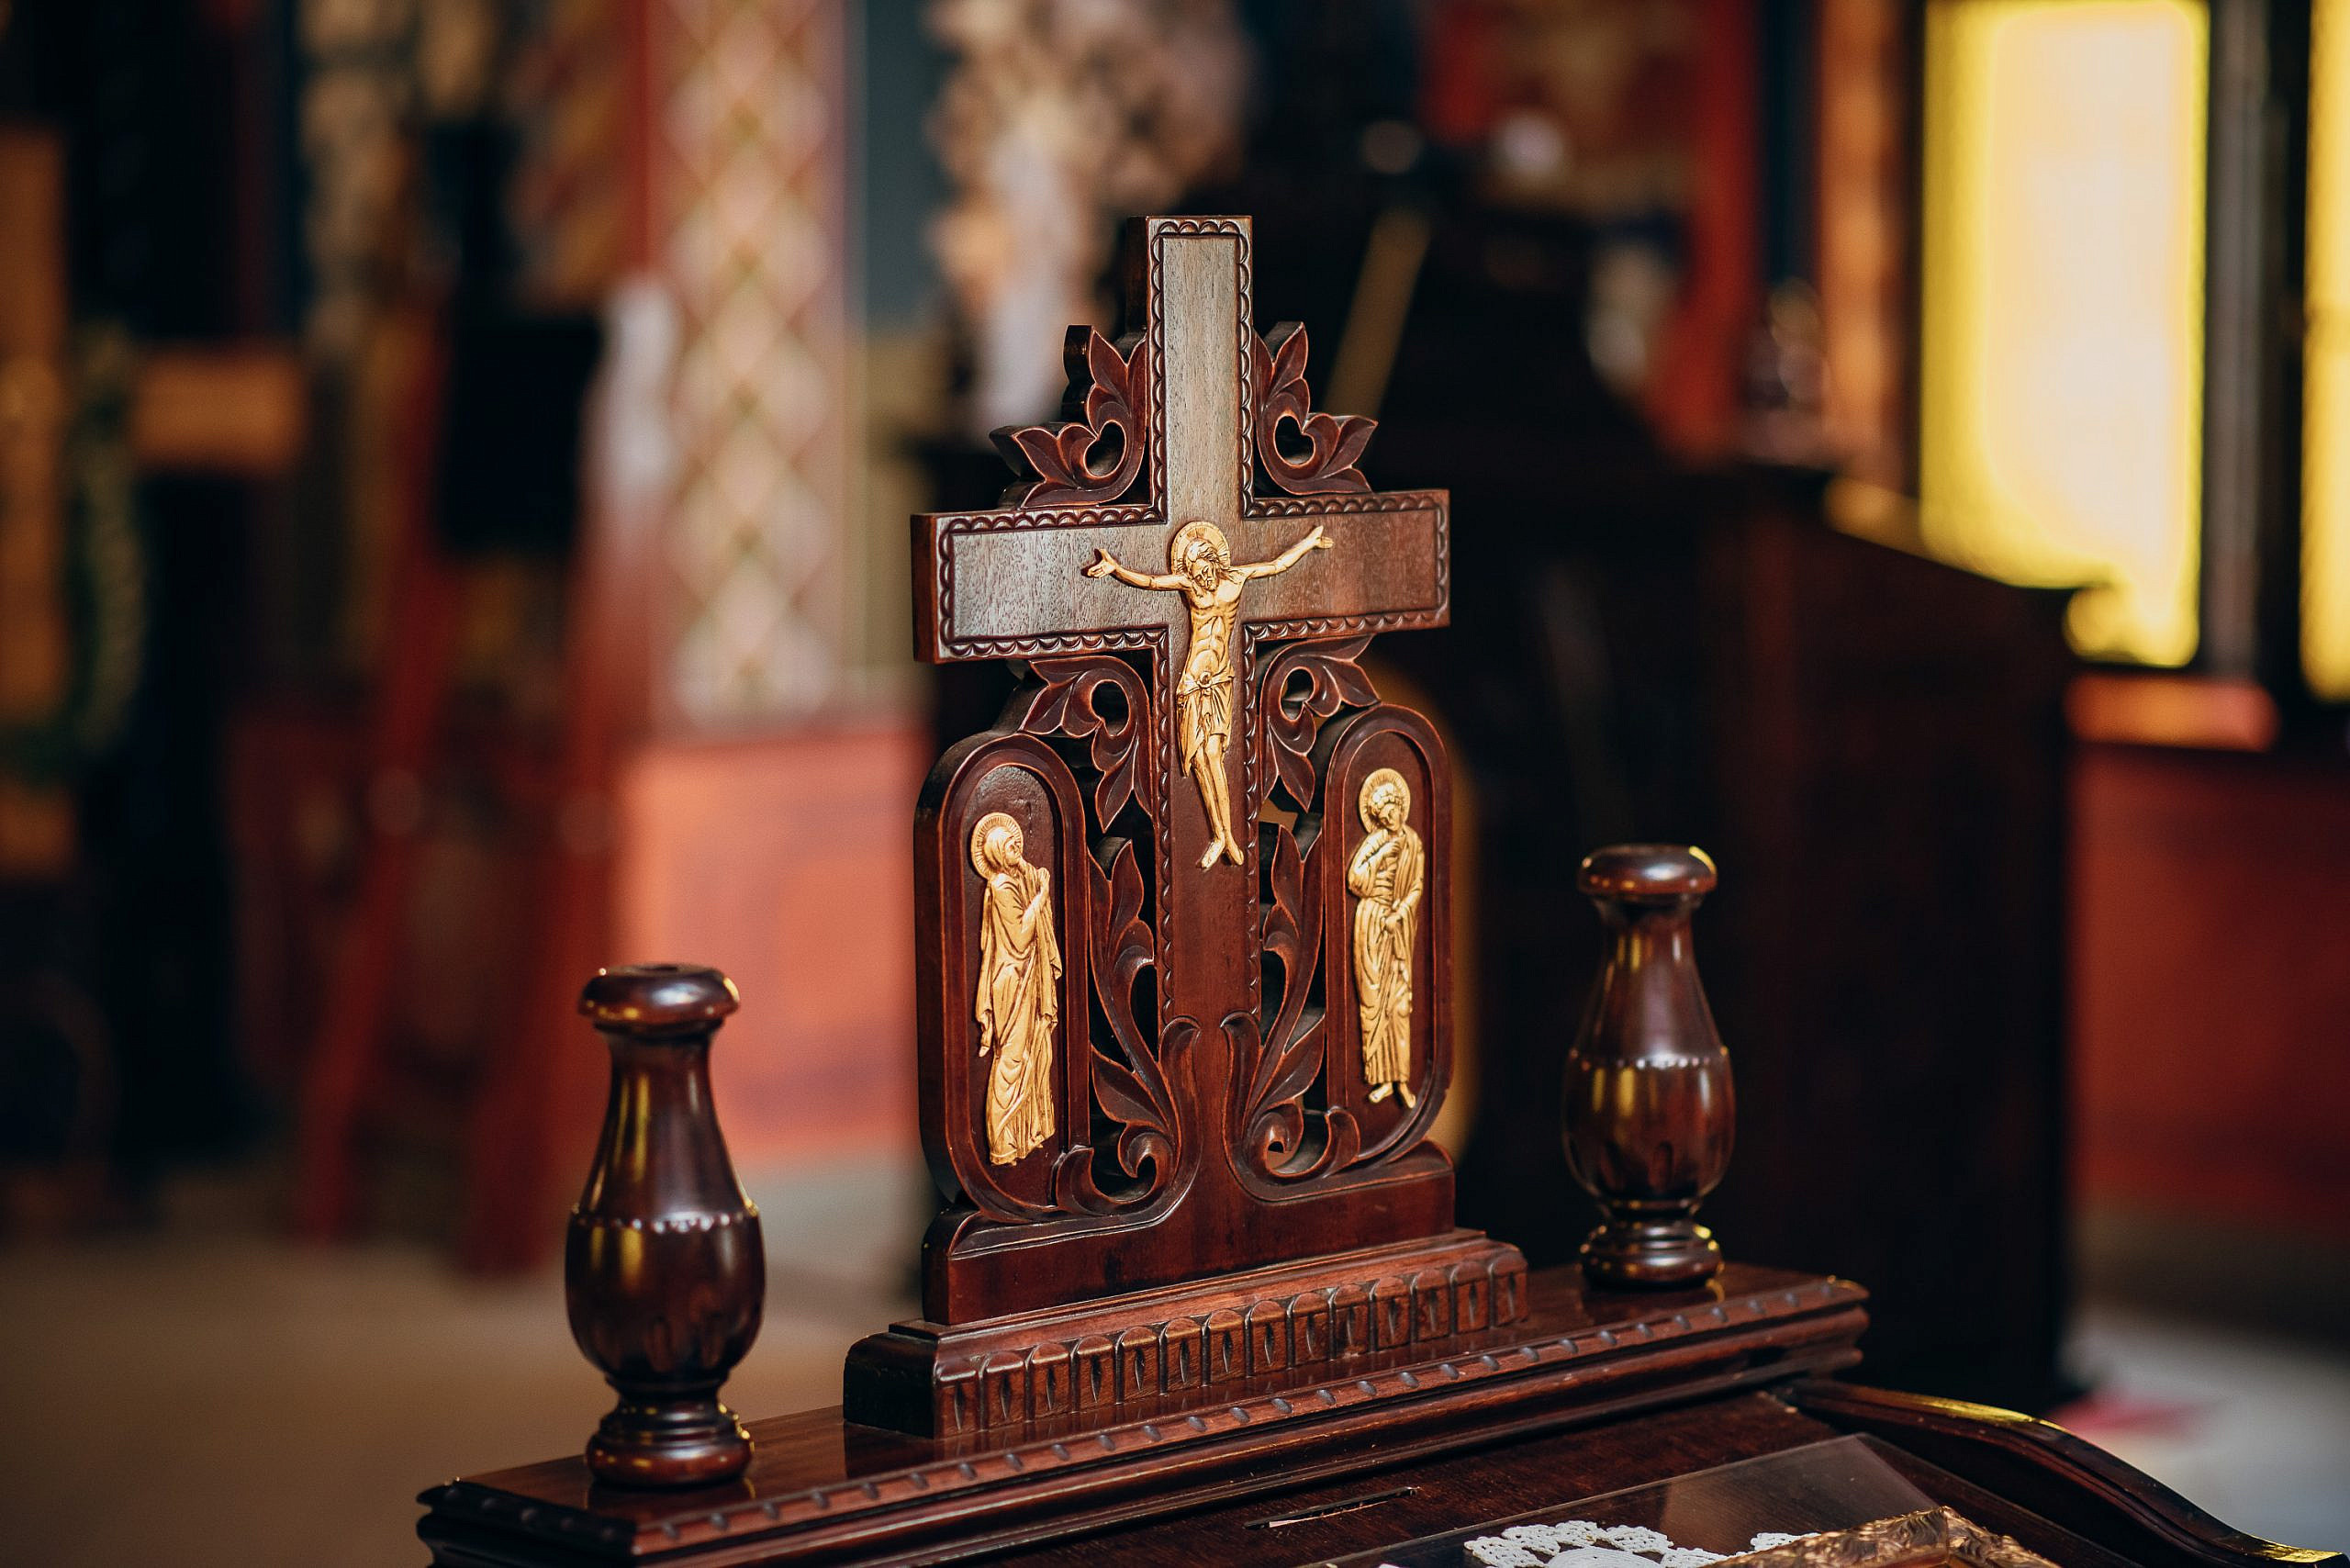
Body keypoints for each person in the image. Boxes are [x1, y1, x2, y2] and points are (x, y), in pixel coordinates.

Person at [1084, 519, 1333, 867]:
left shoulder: (1236, 578)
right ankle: (1220, 835)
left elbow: (1277, 565)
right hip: (1192, 681)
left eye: (1205, 572)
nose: (1202, 579)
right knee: (1199, 760)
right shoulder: (1190, 586)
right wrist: (1116, 569)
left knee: (1214, 755)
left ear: (1215, 563)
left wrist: (1308, 543)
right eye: (1196, 574)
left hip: (1219, 679)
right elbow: (1152, 581)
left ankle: (1225, 836)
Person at [971, 812, 1061, 1164]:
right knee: (1011, 1059)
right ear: (996, 853)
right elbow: (1022, 936)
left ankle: (1026, 1134)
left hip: (1027, 975)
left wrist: (1032, 878)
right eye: (1010, 846)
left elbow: (1033, 888)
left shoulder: (1017, 878)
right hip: (1011, 981)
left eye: (1017, 843)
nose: (1017, 849)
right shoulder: (1000, 888)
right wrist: (1041, 896)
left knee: (1032, 1054)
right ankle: (1002, 1142)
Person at [1348, 768, 1422, 1106]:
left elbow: (1416, 886)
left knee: (1399, 1005)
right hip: (1372, 922)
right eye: (1385, 815)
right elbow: (1355, 879)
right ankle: (1378, 1077)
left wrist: (1400, 913)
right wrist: (1380, 855)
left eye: (1394, 811)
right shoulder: (1376, 841)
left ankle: (1401, 1079)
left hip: (1398, 925)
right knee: (1373, 1000)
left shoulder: (1413, 843)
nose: (1392, 818)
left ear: (1401, 808)